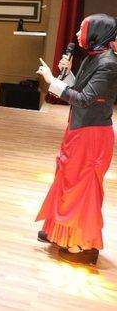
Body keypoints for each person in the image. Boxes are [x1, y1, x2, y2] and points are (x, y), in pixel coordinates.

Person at [35, 14, 117, 265]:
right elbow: (80, 90)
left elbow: (83, 99)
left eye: (82, 29)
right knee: (66, 180)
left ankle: (83, 245)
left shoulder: (108, 63)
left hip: (92, 135)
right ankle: (60, 231)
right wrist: (67, 74)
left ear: (97, 32)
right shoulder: (94, 57)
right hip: (79, 129)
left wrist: (51, 81)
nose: (77, 34)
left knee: (82, 188)